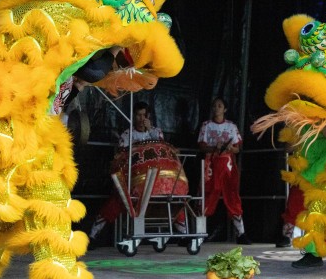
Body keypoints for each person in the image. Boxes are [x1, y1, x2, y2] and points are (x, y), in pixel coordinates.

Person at [89, 101, 185, 244]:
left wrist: (150, 131)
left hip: (156, 180)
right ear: (133, 116)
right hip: (134, 181)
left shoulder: (156, 132)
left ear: (149, 116)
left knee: (172, 199)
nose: (141, 118)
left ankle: (183, 234)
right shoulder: (127, 135)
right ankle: (92, 236)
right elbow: (120, 158)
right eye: (138, 115)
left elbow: (163, 151)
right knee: (115, 202)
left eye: (143, 115)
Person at [198, 97, 251, 245]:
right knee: (207, 195)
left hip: (228, 165)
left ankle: (241, 233)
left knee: (232, 196)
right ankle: (200, 233)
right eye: (214, 106)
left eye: (220, 106)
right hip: (211, 164)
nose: (216, 108)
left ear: (225, 109)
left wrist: (229, 148)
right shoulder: (206, 125)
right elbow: (202, 146)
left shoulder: (231, 127)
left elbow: (237, 148)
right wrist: (215, 148)